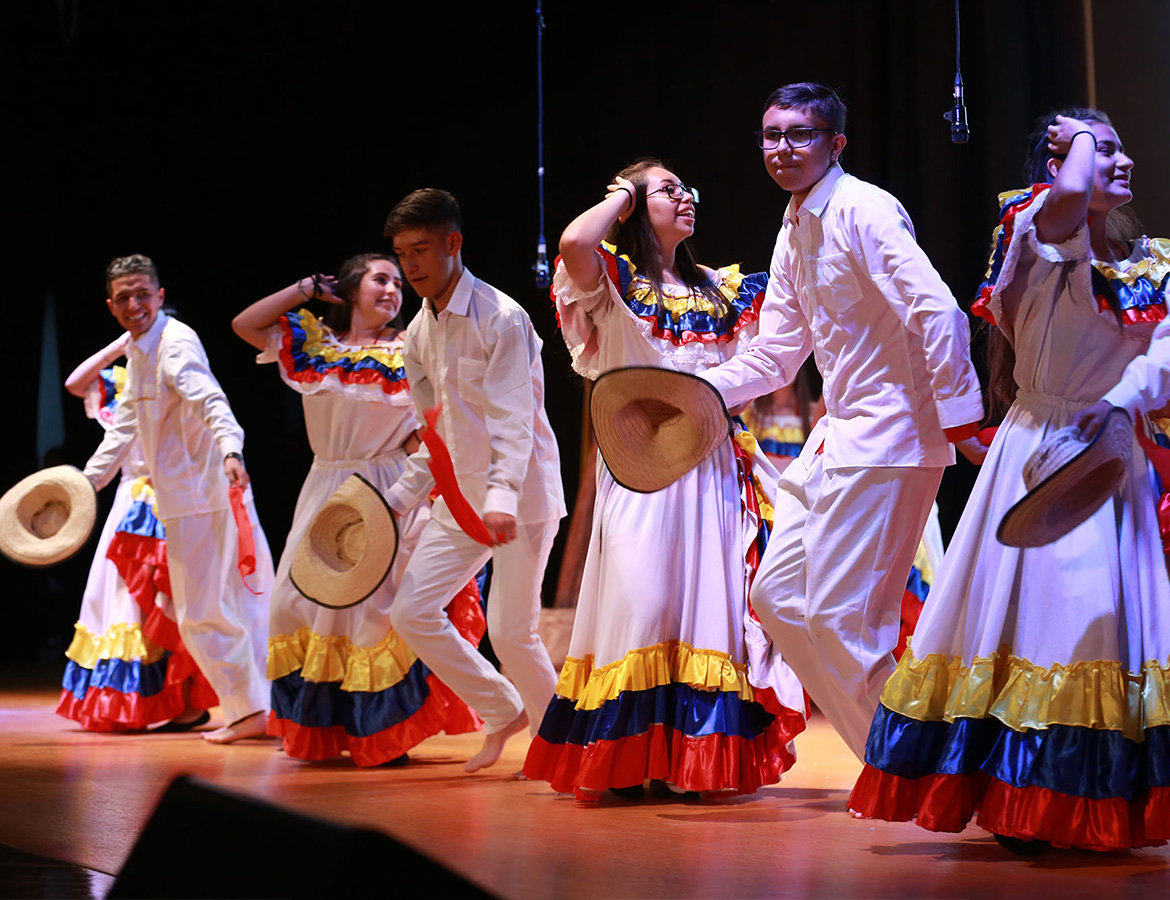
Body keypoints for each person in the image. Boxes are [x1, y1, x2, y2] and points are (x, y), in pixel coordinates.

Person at [849, 109, 1170, 853]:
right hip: (1039, 450)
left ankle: (1085, 802)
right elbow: (1064, 208)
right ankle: (1021, 803)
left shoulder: (1152, 261)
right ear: (1061, 164)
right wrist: (1078, 147)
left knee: (1095, 632)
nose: (1118, 160)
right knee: (1038, 623)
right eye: (1101, 148)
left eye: (1122, 146)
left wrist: (1124, 403)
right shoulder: (1034, 227)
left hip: (1106, 453)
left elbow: (1162, 358)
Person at [698, 82, 984, 760]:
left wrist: (962, 418)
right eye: (771, 135)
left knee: (842, 619)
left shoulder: (864, 209)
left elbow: (939, 312)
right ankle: (892, 765)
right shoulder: (795, 225)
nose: (782, 148)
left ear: (835, 143)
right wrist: (695, 389)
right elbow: (775, 351)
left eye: (799, 134)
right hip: (838, 441)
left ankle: (912, 767)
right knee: (777, 599)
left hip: (891, 441)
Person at [522, 159, 807, 799]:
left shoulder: (724, 290)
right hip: (643, 467)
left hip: (709, 468)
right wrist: (623, 191)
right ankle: (625, 757)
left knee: (705, 612)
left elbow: (780, 352)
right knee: (642, 602)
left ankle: (694, 762)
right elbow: (573, 243)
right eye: (668, 190)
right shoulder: (614, 280)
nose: (686, 198)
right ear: (629, 205)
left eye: (687, 189)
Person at [232, 253, 486, 765]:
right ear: (350, 290)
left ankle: (378, 735)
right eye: (380, 279)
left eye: (398, 282)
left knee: (371, 612)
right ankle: (323, 729)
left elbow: (437, 423)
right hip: (324, 483)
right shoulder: (314, 348)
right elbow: (245, 324)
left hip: (387, 486)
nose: (393, 289)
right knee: (296, 603)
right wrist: (305, 288)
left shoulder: (410, 349)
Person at [382, 189, 566, 772]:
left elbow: (513, 419)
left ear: (453, 244)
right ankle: (501, 707)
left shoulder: (502, 317)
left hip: (522, 499)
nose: (410, 265)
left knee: (513, 632)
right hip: (459, 499)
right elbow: (435, 433)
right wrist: (396, 499)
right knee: (411, 612)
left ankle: (565, 746)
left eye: (420, 250)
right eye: (401, 253)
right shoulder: (418, 333)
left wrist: (502, 497)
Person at [83, 254, 274, 744]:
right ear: (111, 305)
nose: (134, 304)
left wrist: (231, 448)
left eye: (142, 293)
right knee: (210, 609)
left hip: (204, 494)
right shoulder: (142, 352)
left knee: (203, 612)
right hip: (184, 499)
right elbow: (124, 427)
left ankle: (250, 710)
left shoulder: (174, 342)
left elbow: (211, 400)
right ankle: (253, 708)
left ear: (160, 296)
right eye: (124, 297)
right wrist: (85, 486)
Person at [57, 334, 216, 732]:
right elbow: (76, 384)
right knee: (120, 598)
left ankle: (182, 702)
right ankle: (129, 702)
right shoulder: (121, 384)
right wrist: (120, 346)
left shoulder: (179, 380)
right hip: (130, 499)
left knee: (168, 601)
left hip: (172, 497)